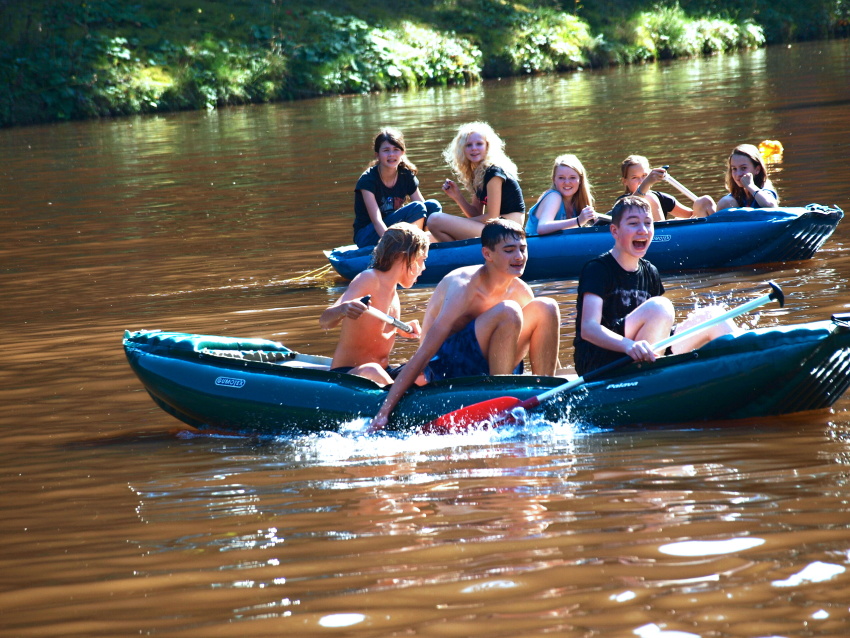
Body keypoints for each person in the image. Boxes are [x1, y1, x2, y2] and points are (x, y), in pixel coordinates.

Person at [370, 218, 560, 430]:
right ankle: (498, 396)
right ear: (487, 254)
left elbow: (541, 340)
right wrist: (383, 413)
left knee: (546, 306)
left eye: (522, 249)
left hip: (496, 364)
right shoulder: (463, 287)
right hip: (448, 367)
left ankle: (547, 392)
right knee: (509, 311)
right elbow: (424, 352)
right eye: (509, 250)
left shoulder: (521, 290)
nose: (519, 256)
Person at [574, 196, 737, 375]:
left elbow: (658, 326)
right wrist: (628, 345)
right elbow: (588, 328)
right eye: (633, 223)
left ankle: (747, 363)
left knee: (714, 316)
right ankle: (650, 375)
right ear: (615, 231)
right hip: (601, 363)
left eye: (648, 223)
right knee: (660, 307)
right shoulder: (597, 269)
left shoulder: (650, 271)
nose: (643, 230)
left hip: (646, 354)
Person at [320, 223, 429, 385]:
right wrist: (344, 309)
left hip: (384, 372)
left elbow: (376, 328)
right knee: (372, 370)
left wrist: (401, 328)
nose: (424, 267)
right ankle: (399, 396)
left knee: (427, 368)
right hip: (349, 374)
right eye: (422, 259)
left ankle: (399, 392)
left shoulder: (394, 293)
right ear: (406, 256)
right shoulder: (369, 279)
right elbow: (325, 321)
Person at [426, 122, 525, 242]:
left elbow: (492, 216)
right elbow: (476, 214)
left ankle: (459, 249)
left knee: (435, 220)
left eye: (479, 144)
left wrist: (456, 223)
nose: (474, 148)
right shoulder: (478, 174)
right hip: (495, 227)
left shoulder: (494, 172)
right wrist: (458, 196)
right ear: (462, 149)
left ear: (488, 146)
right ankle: (458, 250)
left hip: (508, 230)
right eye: (468, 145)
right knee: (428, 237)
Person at [353, 128, 442, 248]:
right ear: (377, 155)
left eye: (396, 149)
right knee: (416, 207)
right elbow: (377, 221)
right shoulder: (368, 180)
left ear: (402, 153)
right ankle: (414, 247)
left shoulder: (405, 174)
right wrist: (390, 245)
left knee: (432, 206)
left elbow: (424, 207)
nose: (391, 154)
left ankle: (426, 244)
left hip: (394, 228)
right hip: (368, 234)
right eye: (386, 150)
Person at [692, 144, 779, 216]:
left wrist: (750, 186)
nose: (738, 174)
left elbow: (771, 206)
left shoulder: (765, 186)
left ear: (757, 169)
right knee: (703, 202)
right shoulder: (734, 197)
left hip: (760, 227)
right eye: (734, 169)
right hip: (734, 229)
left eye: (743, 168)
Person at [525, 154, 599, 235]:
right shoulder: (554, 197)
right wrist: (578, 221)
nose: (567, 182)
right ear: (554, 179)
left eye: (572, 177)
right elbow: (542, 228)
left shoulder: (578, 201)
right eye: (561, 178)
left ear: (580, 180)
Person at [619, 155, 695, 221]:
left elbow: (692, 216)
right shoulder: (621, 203)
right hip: (648, 234)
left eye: (644, 175)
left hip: (665, 232)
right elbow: (632, 206)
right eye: (634, 177)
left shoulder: (662, 198)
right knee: (650, 197)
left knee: (701, 202)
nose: (641, 181)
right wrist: (646, 183)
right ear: (625, 181)